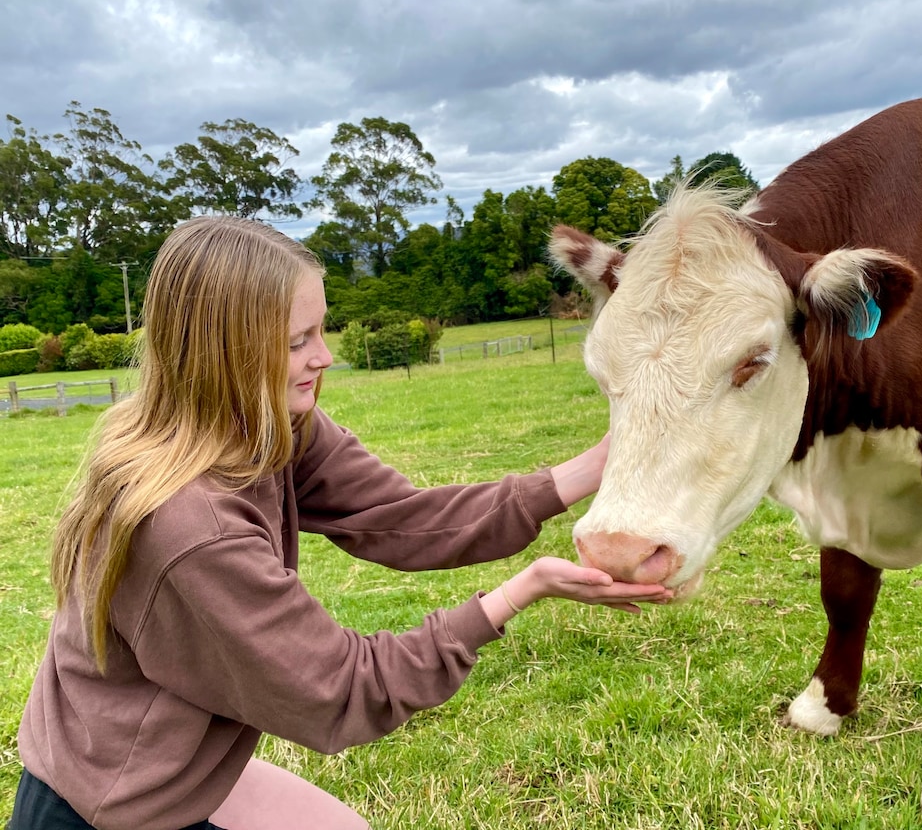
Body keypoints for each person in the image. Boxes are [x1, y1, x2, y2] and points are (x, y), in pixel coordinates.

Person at [8, 216, 671, 830]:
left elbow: (406, 521)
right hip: (114, 808)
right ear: (222, 352)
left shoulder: (267, 426)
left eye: (321, 330)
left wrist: (591, 468)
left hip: (170, 766)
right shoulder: (190, 527)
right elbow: (342, 689)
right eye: (298, 341)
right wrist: (518, 593)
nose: (324, 357)